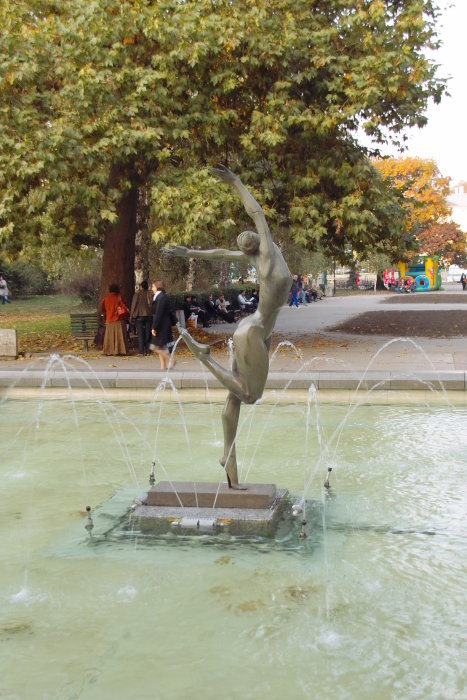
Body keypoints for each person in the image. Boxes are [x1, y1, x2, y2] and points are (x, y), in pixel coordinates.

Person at [163, 165, 292, 489]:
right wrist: (235, 181)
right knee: (249, 394)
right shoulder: (264, 257)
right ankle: (204, 356)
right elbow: (249, 218)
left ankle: (228, 455)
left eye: (246, 235)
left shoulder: (266, 252)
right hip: (254, 330)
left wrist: (236, 180)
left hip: (257, 329)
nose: (248, 234)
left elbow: (252, 216)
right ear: (252, 246)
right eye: (247, 237)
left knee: (233, 401)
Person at [150, 280, 176, 370]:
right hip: (163, 324)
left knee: (155, 346)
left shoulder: (161, 297)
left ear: (157, 287)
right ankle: (163, 366)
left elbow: (158, 313)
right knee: (160, 346)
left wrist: (154, 326)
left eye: (153, 286)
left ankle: (171, 360)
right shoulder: (160, 297)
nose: (152, 288)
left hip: (162, 325)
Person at [101, 284, 129, 356]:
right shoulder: (119, 297)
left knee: (109, 337)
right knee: (120, 336)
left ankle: (109, 350)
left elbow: (103, 309)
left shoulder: (106, 298)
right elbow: (124, 306)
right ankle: (120, 350)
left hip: (109, 319)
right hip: (119, 319)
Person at [130, 280, 152, 356]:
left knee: (140, 334)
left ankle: (141, 351)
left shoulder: (137, 295)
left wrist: (131, 317)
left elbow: (133, 306)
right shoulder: (150, 294)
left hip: (139, 316)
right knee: (148, 333)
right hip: (149, 316)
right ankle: (148, 351)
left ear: (141, 287)